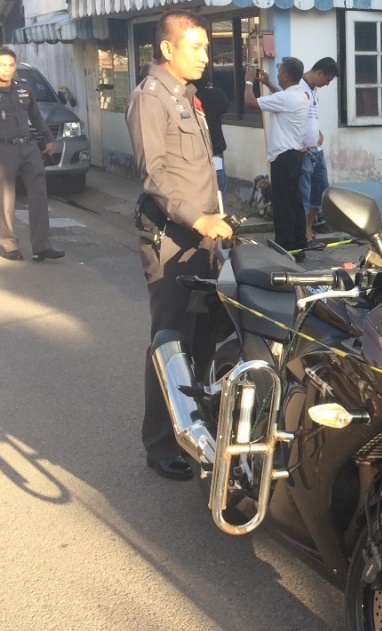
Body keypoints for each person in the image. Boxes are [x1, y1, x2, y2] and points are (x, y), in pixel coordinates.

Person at [126, 10, 234, 481]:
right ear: (168, 49)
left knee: (205, 335)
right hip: (172, 240)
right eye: (196, 47)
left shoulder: (189, 96)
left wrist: (216, 219)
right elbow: (155, 177)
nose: (205, 56)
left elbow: (200, 171)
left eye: (206, 47)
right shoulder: (151, 98)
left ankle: (194, 425)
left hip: (204, 239)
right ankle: (160, 443)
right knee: (170, 341)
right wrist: (198, 218)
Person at [0, 47, 65, 262]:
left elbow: (36, 115)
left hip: (29, 147)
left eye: (11, 65)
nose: (7, 69)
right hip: (4, 150)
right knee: (6, 198)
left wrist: (48, 138)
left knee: (39, 195)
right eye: (2, 65)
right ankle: (9, 245)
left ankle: (41, 246)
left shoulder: (24, 87)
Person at [245, 58, 313, 254]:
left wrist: (249, 81)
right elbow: (281, 98)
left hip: (283, 156)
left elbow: (250, 102)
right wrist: (267, 84)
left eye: (280, 71)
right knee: (294, 202)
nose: (278, 74)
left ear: (286, 75)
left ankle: (285, 246)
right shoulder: (300, 95)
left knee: (283, 204)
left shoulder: (286, 98)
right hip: (293, 155)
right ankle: (299, 244)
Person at [298, 57, 337, 243]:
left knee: (321, 190)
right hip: (303, 152)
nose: (327, 84)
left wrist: (318, 132)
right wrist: (298, 141)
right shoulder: (298, 87)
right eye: (327, 80)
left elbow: (310, 117)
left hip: (317, 150)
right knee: (303, 193)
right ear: (320, 73)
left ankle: (308, 229)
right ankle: (302, 235)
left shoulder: (314, 90)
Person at [193, 71, 229, 197]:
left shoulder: (184, 97)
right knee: (219, 198)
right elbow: (225, 107)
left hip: (192, 159)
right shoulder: (216, 94)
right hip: (215, 154)